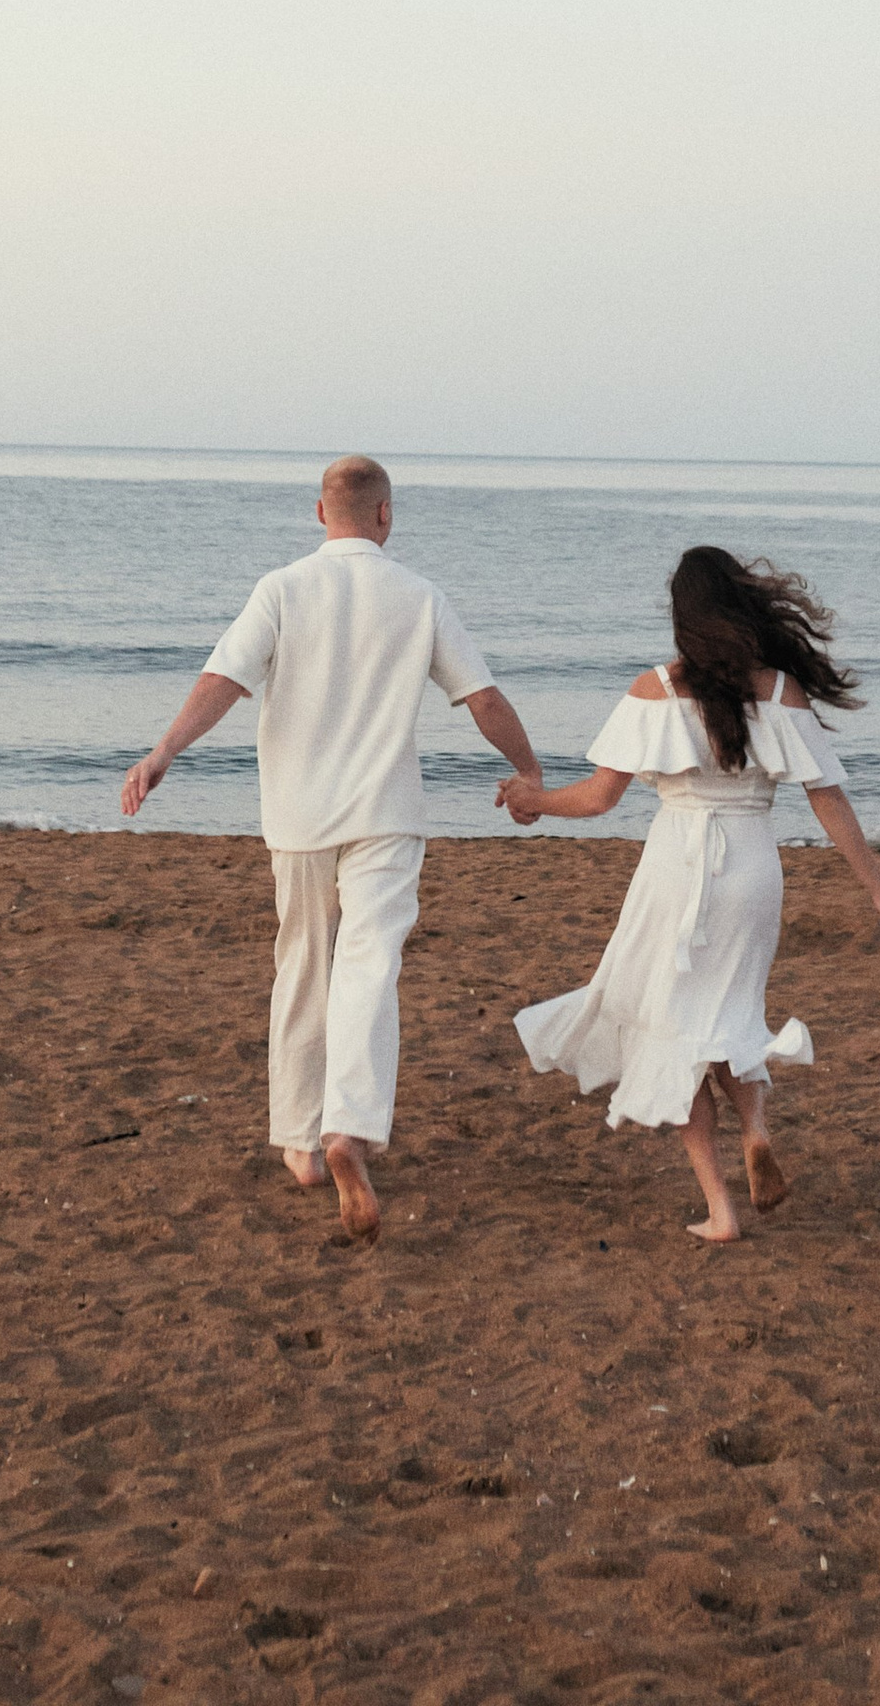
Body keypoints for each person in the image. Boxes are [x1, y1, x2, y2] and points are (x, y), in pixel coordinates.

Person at [120, 453, 543, 1244]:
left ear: (320, 515)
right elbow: (480, 698)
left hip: (299, 816)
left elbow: (225, 679)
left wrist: (162, 752)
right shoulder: (419, 596)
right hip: (386, 814)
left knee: (304, 965)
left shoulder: (282, 589)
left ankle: (301, 1146)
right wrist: (527, 769)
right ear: (386, 516)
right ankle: (349, 1127)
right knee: (369, 968)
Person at [507, 543, 880, 1242]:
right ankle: (755, 1127)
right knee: (731, 1018)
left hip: (676, 864)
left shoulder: (656, 690)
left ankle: (722, 1210)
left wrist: (534, 800)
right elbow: (829, 800)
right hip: (754, 868)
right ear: (742, 607)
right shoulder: (780, 690)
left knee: (674, 1034)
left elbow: (598, 799)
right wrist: (879, 893)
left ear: (682, 617)